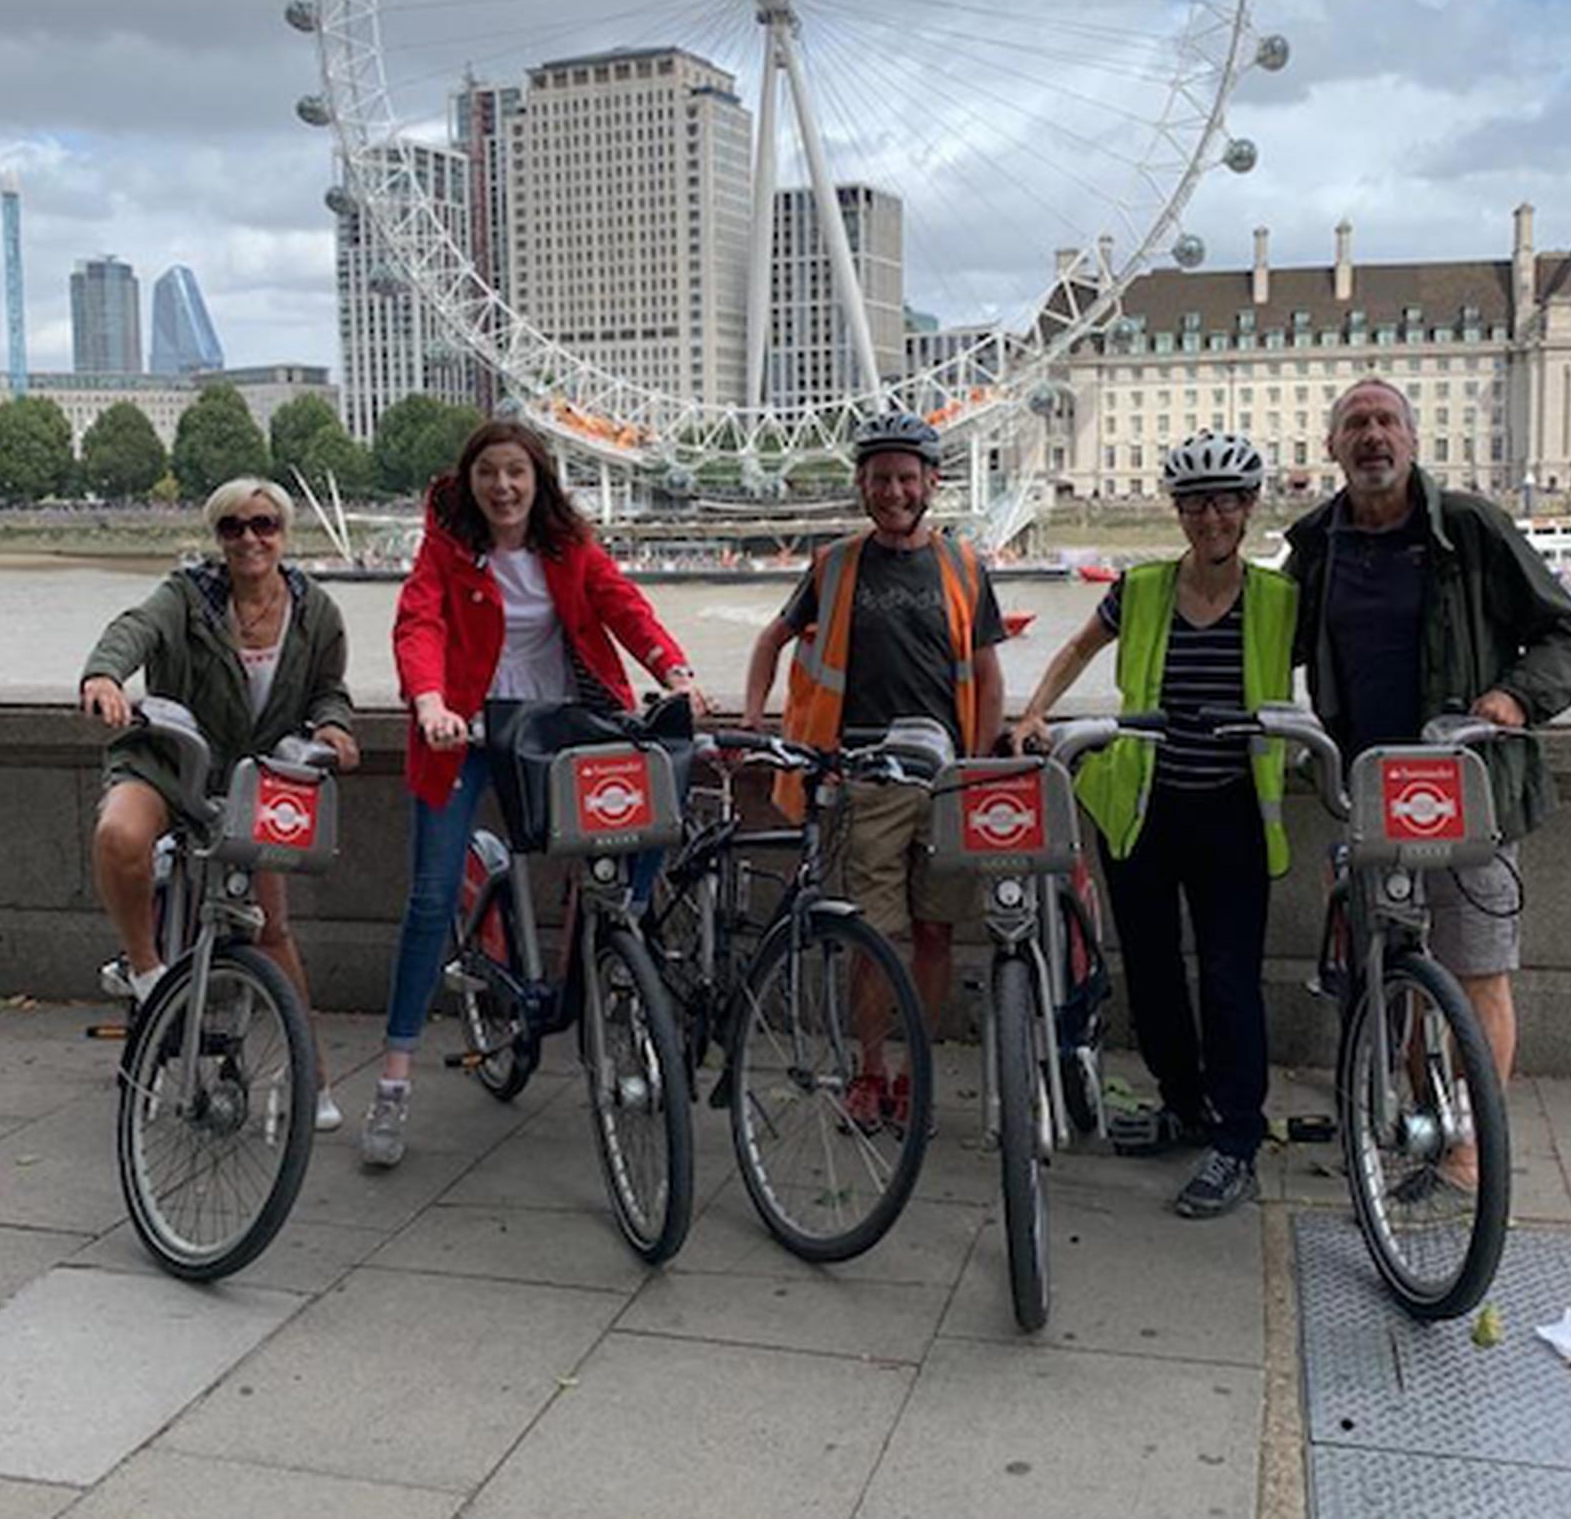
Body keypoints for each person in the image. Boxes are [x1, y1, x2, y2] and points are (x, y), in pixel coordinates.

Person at [365, 419, 705, 1168]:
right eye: (489, 472)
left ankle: (614, 945)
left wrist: (670, 665)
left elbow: (622, 604)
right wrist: (428, 701)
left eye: (516, 472)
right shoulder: (446, 549)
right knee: (428, 898)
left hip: (554, 729)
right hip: (467, 732)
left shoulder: (566, 545)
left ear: (538, 479)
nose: (503, 487)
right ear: (470, 480)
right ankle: (393, 1077)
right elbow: (417, 623)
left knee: (645, 826)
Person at [1287, 378, 1571, 1187]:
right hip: (1367, 792)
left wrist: (1516, 698)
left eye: (1387, 420)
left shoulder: (1468, 526)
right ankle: (1411, 1122)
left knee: (1478, 970)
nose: (1372, 436)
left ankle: (1470, 1143)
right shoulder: (1317, 542)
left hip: (1467, 785)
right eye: (1355, 424)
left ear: (1414, 440)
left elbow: (1567, 632)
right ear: (1332, 448)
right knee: (1387, 974)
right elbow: (1266, 635)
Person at [1011, 432, 1297, 1217]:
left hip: (1236, 807)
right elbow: (1077, 646)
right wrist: (1035, 712)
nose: (1212, 517)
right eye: (1197, 503)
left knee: (1232, 977)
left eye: (1227, 502)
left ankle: (1236, 1138)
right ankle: (1183, 1103)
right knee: (1153, 968)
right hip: (1144, 805)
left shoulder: (1279, 598)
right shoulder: (1138, 589)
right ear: (1178, 511)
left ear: (1248, 509)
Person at [743, 410, 1007, 1129]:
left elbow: (987, 675)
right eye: (881, 478)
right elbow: (772, 639)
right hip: (862, 780)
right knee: (871, 936)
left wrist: (977, 766)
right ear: (862, 484)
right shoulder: (834, 565)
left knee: (935, 932)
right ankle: (868, 1070)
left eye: (906, 477)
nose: (893, 490)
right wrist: (756, 720)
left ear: (931, 483)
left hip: (944, 778)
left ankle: (912, 1068)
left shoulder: (963, 565)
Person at [80, 476, 361, 1132]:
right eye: (232, 527)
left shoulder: (314, 609)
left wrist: (334, 727)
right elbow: (134, 628)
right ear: (216, 537)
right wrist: (103, 675)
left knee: (270, 926)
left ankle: (309, 1074)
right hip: (172, 762)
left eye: (263, 524)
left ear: (284, 533)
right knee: (121, 833)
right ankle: (147, 970)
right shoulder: (186, 596)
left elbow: (328, 688)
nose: (249, 538)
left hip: (251, 778)